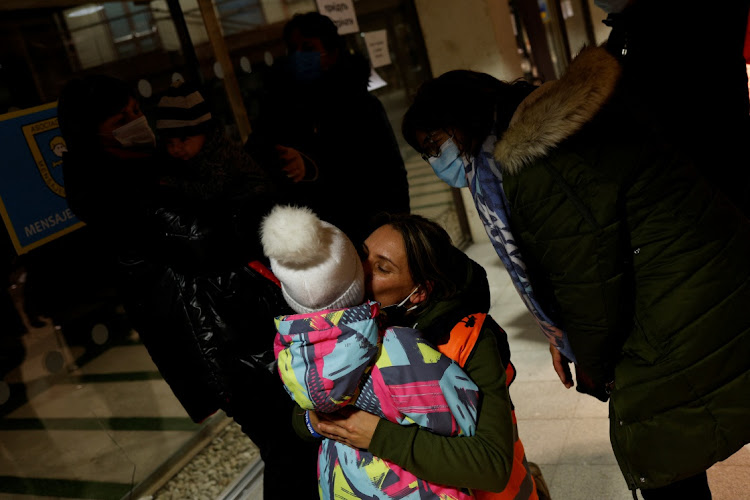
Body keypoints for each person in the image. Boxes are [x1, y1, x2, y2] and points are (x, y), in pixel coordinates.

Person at [400, 44, 750, 499]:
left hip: (674, 304)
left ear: (465, 118)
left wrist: (590, 360)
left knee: (666, 457)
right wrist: (559, 335)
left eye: (435, 144)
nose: (435, 160)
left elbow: (588, 286)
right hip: (698, 283)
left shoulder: (531, 164)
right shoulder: (548, 135)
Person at [57, 74, 319, 500]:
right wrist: (262, 206)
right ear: (91, 132)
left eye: (135, 111)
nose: (135, 121)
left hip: (242, 327)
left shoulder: (150, 163)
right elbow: (202, 240)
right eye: (120, 117)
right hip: (222, 343)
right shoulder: (111, 188)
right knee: (287, 447)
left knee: (298, 442)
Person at [278, 209, 551, 499]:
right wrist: (317, 420)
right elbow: (300, 414)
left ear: (420, 291)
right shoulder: (350, 324)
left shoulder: (470, 339)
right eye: (362, 256)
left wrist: (378, 435)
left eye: (383, 268)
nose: (362, 271)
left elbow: (491, 465)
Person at [245, 11, 410, 246]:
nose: (299, 56)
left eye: (308, 47)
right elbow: (256, 154)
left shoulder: (363, 106)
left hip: (364, 233)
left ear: (332, 53)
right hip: (309, 243)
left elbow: (389, 174)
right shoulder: (278, 107)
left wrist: (399, 235)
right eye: (294, 49)